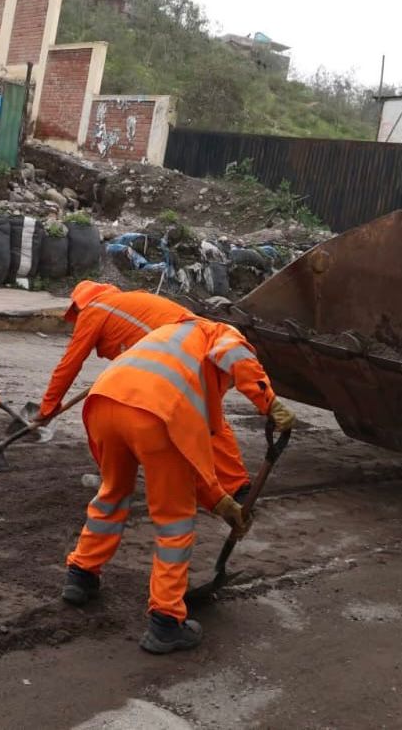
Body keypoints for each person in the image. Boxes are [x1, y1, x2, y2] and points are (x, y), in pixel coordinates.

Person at [60, 317, 297, 654]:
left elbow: (196, 465)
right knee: (174, 520)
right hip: (156, 413)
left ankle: (81, 575)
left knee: (112, 493)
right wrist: (269, 402)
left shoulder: (175, 336)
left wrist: (223, 504)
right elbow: (235, 356)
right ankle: (166, 623)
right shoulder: (223, 334)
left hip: (104, 402)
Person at [39, 280, 253, 500]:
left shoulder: (96, 309)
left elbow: (70, 364)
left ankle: (116, 481)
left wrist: (47, 408)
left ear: (79, 305)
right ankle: (238, 488)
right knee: (208, 419)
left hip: (180, 355)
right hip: (208, 347)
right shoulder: (126, 303)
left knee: (112, 413)